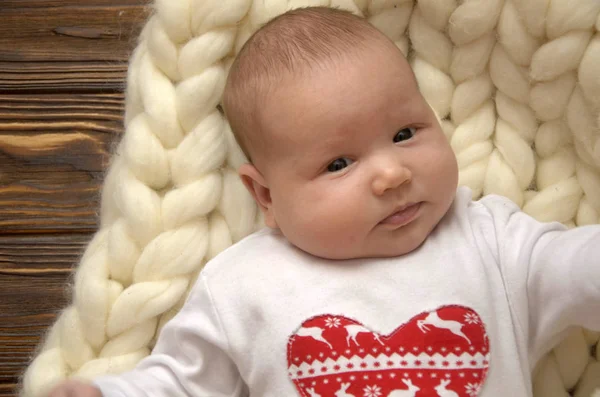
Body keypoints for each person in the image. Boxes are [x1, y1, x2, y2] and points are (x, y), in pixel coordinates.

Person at [46, 6, 600, 397]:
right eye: (339, 164)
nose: (391, 172)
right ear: (266, 196)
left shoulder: (492, 240)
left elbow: (580, 270)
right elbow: (184, 383)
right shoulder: (243, 283)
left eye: (406, 132)